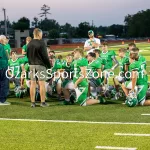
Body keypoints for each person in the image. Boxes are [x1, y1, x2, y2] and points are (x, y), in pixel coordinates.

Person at [27, 28, 51, 108]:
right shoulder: (41, 42)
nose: (42, 35)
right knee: (42, 84)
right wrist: (49, 66)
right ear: (38, 34)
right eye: (41, 34)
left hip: (31, 65)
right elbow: (45, 56)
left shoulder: (29, 43)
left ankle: (33, 103)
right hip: (40, 65)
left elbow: (27, 55)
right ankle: (42, 102)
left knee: (32, 84)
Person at [0, 35, 10, 105]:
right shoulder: (1, 46)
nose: (6, 40)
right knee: (4, 83)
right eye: (4, 39)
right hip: (2, 66)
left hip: (2, 66)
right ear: (1, 39)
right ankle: (2, 100)